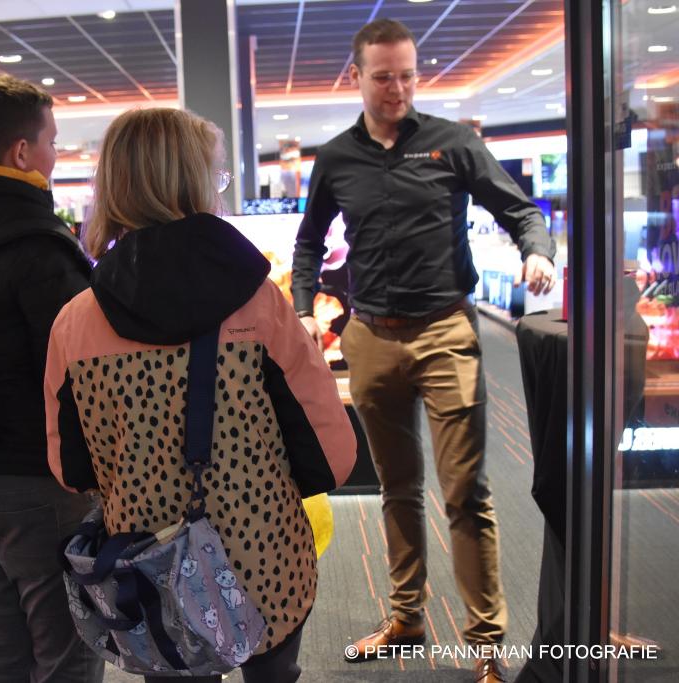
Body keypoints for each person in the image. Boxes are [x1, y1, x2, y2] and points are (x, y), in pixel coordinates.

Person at [44, 107, 358, 683]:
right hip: (264, 559)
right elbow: (330, 450)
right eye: (215, 175)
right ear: (191, 183)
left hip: (151, 567)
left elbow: (70, 467)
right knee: (274, 670)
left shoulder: (74, 321)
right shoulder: (259, 302)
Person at [290, 19, 556, 683]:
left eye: (408, 75)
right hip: (370, 336)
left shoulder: (452, 142)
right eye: (384, 77)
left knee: (466, 490)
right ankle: (406, 615)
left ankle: (486, 643)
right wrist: (302, 307)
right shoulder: (336, 157)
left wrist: (538, 252)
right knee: (397, 486)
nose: (398, 88)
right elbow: (309, 241)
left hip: (445, 332)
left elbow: (521, 211)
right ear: (357, 77)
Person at [0, 75, 104, 683]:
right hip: (39, 485)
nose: (55, 155)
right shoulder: (43, 250)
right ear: (22, 153)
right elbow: (83, 377)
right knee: (66, 653)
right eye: (52, 142)